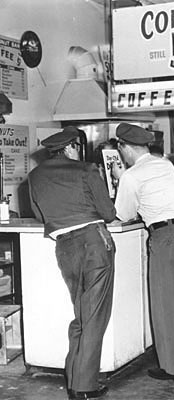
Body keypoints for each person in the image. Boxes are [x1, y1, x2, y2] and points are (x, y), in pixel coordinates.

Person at [112, 123, 174, 381]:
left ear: (125, 148)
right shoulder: (164, 164)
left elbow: (123, 214)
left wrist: (120, 179)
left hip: (167, 239)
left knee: (167, 305)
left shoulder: (131, 176)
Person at [28, 126, 116, 400]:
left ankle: (75, 377)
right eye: (77, 147)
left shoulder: (34, 176)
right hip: (94, 243)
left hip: (65, 248)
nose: (79, 152)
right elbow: (108, 213)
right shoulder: (86, 170)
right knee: (95, 316)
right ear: (70, 148)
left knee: (82, 314)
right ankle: (84, 386)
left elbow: (39, 213)